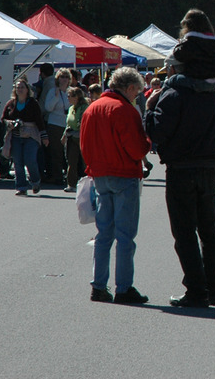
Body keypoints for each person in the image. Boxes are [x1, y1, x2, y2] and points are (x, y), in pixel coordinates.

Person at [145, 54, 215, 309]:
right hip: (208, 165)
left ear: (175, 70)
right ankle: (212, 288)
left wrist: (149, 109)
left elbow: (158, 131)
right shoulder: (211, 92)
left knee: (184, 231)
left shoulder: (173, 93)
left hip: (182, 168)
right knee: (208, 229)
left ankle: (197, 290)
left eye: (168, 68)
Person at [80, 67, 151, 304]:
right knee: (125, 236)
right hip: (123, 175)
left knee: (104, 234)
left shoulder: (92, 108)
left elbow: (84, 146)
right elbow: (137, 149)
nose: (137, 96)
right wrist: (147, 142)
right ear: (129, 88)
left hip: (100, 175)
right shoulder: (125, 110)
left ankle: (98, 286)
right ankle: (124, 287)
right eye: (136, 91)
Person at [1, 78, 49, 195]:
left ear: (27, 89)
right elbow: (3, 118)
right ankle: (21, 187)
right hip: (16, 136)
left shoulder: (33, 103)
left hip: (30, 136)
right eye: (18, 87)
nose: (20, 89)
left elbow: (39, 121)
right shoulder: (11, 103)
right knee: (17, 162)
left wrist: (44, 136)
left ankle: (35, 180)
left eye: (22, 87)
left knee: (30, 160)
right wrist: (9, 123)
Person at [41, 68, 71, 186]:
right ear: (57, 79)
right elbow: (48, 108)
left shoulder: (71, 92)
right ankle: (57, 176)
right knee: (56, 152)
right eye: (62, 77)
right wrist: (57, 97)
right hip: (55, 125)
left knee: (69, 153)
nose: (64, 79)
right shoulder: (53, 91)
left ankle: (70, 176)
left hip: (68, 125)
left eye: (66, 77)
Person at [62, 86, 89, 192]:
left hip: (82, 136)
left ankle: (90, 183)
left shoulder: (85, 107)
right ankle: (71, 184)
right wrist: (64, 135)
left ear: (76, 97)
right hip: (71, 136)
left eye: (69, 96)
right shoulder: (71, 108)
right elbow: (69, 123)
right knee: (71, 161)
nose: (68, 98)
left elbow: (84, 123)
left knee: (85, 161)